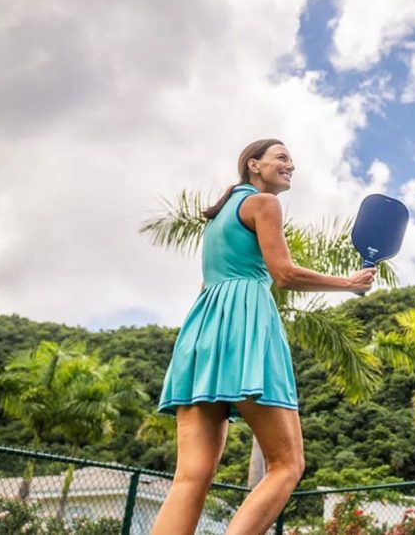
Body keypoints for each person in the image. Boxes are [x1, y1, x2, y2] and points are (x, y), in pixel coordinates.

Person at [152, 138, 376, 534]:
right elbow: (284, 274)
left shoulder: (220, 216)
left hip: (202, 334)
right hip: (244, 328)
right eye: (282, 158)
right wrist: (347, 283)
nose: (291, 165)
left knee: (192, 475)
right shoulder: (263, 203)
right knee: (287, 464)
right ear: (253, 165)